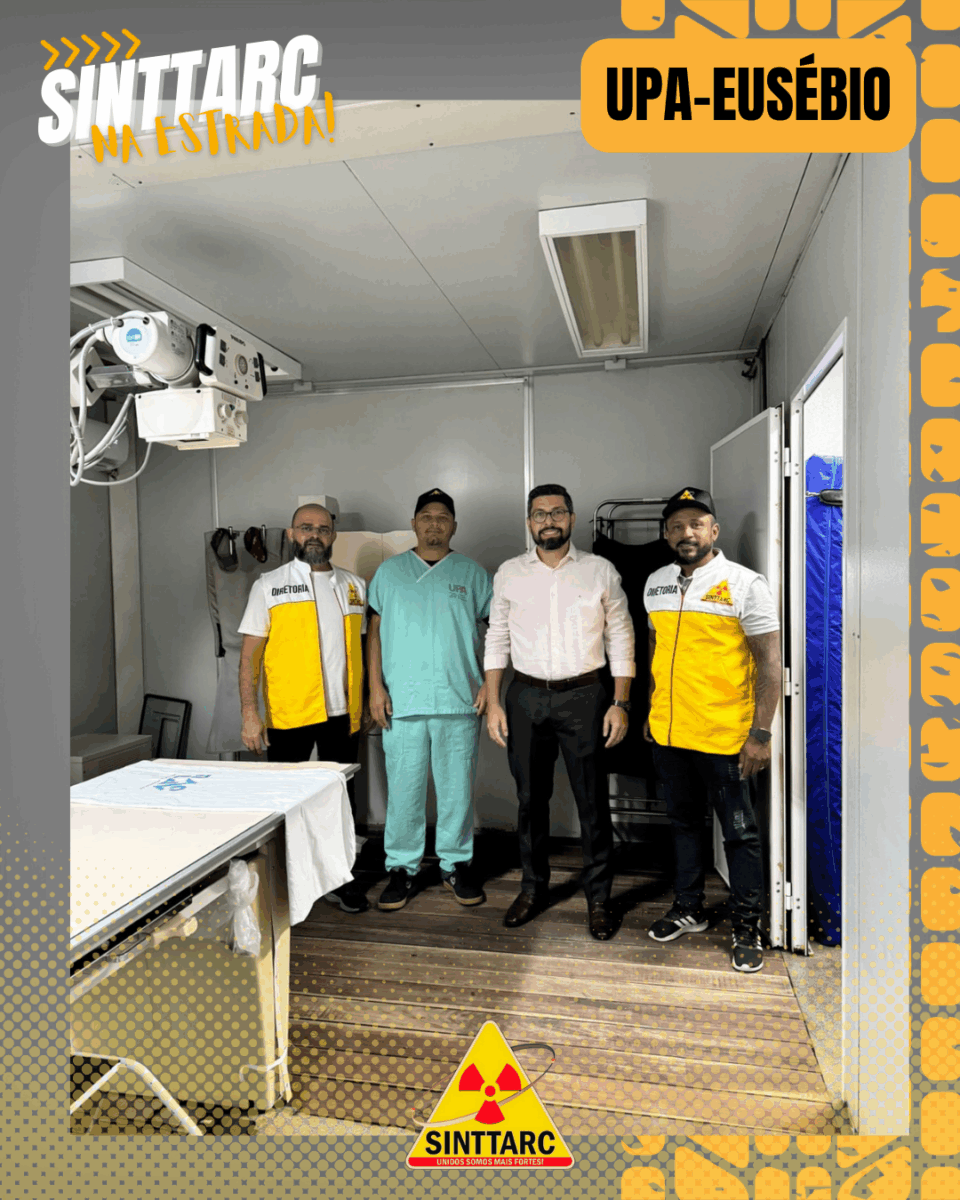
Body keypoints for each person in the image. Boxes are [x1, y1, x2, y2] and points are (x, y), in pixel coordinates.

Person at [484, 484, 634, 941]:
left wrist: (620, 703)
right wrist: (493, 701)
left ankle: (599, 899)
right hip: (525, 697)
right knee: (530, 801)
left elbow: (621, 637)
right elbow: (496, 637)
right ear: (529, 522)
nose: (548, 521)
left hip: (586, 696)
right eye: (539, 514)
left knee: (592, 802)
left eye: (556, 512)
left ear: (570, 517)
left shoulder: (599, 571)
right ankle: (533, 889)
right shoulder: (509, 573)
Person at [643, 486, 781, 973]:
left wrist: (760, 734)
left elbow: (771, 666)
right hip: (670, 734)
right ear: (666, 534)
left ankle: (747, 926)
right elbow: (659, 653)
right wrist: (654, 712)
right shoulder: (656, 583)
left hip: (726, 737)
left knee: (740, 836)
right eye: (677, 526)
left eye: (697, 524)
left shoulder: (745, 584)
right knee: (683, 825)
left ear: (714, 531)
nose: (687, 533)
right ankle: (689, 908)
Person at [237, 503, 369, 914]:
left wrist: (367, 701)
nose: (315, 534)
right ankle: (284, 883)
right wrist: (250, 714)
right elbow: (249, 657)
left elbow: (363, 649)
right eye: (306, 527)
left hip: (343, 714)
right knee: (285, 801)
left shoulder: (354, 586)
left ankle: (339, 879)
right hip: (290, 712)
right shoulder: (269, 586)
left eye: (323, 528)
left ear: (333, 535)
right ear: (292, 534)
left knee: (340, 801)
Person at [367, 488, 493, 911]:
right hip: (402, 702)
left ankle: (455, 865)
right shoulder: (390, 572)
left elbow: (498, 631)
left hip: (460, 700)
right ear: (414, 523)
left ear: (454, 525)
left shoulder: (472, 573)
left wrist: (489, 686)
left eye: (442, 517)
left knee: (457, 791)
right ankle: (402, 868)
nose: (434, 523)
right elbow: (373, 633)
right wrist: (375, 688)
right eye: (426, 516)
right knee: (404, 790)